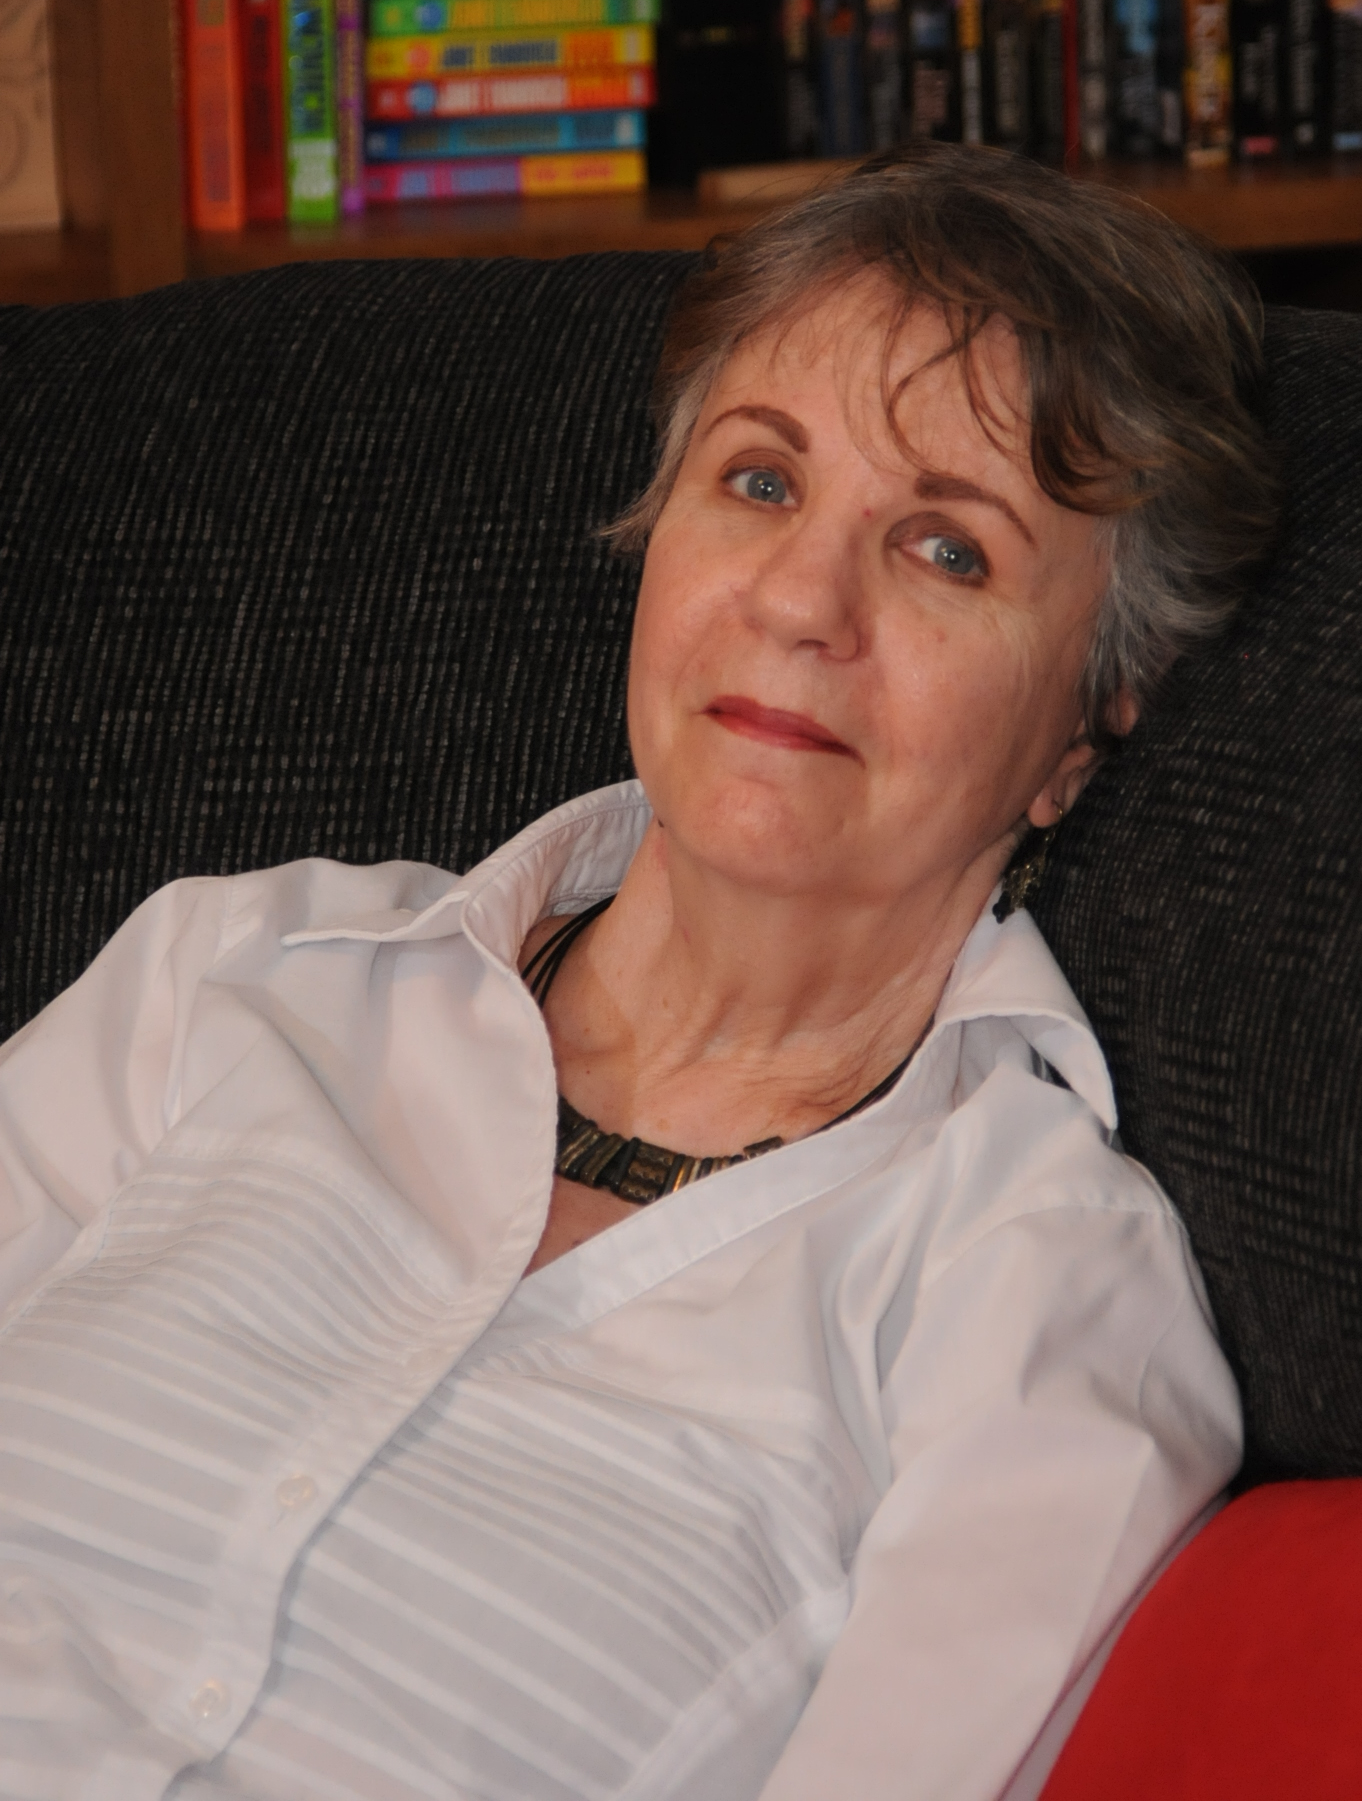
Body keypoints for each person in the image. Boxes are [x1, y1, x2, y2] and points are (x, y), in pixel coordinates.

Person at [0, 145, 1277, 1800]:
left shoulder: (1034, 1291)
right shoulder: (236, 974)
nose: (803, 601)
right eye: (760, 481)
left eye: (948, 551)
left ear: (1085, 726)